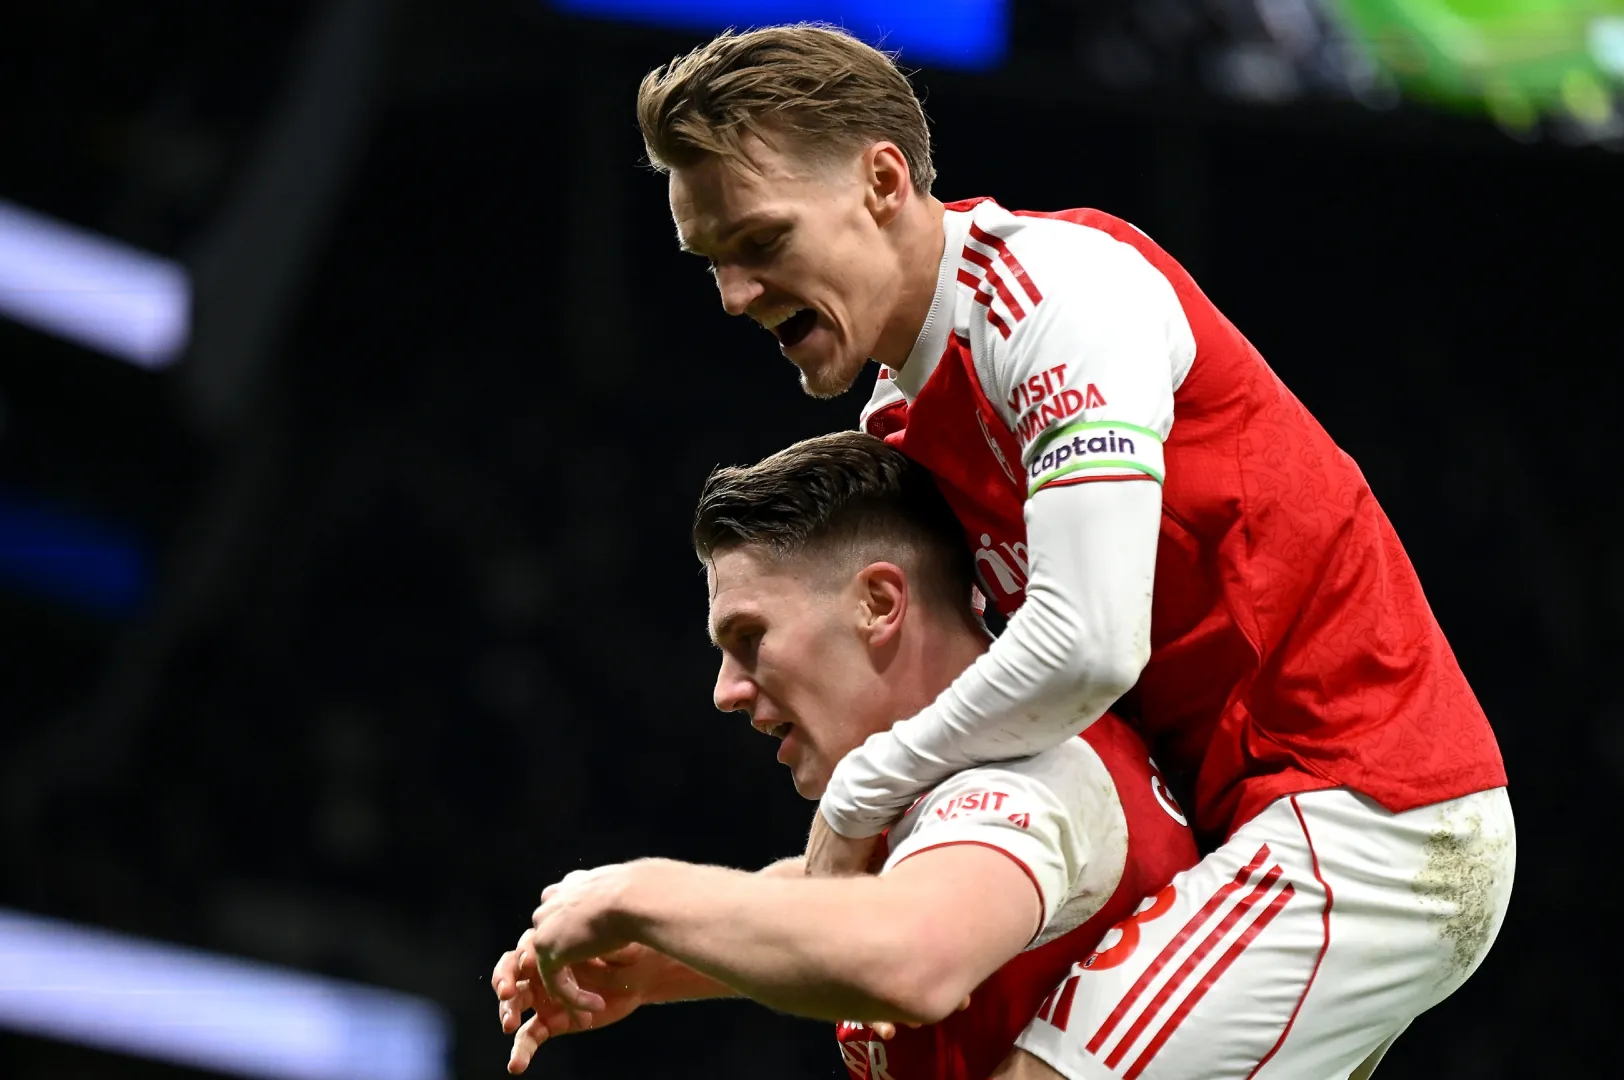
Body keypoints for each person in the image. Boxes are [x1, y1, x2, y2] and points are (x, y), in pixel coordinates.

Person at [628, 22, 1517, 1080]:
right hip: (1232, 830)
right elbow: (932, 848)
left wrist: (862, 786)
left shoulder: (1057, 298)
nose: (733, 293)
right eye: (712, 260)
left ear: (881, 181)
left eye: (762, 242)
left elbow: (1090, 646)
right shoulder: (900, 426)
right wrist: (664, 954)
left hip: (1371, 818)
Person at [491, 432, 1199, 1078]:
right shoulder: (947, 792)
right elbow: (837, 889)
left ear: (880, 602)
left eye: (750, 637)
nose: (725, 692)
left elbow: (910, 957)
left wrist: (637, 893)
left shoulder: (1031, 776)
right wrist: (658, 964)